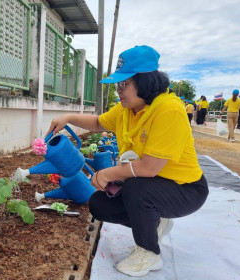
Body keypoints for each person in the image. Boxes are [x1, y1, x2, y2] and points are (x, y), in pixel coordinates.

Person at [46, 45, 209, 277]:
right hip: (153, 185)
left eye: (124, 84)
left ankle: (149, 252)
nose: (118, 90)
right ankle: (155, 222)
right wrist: (68, 118)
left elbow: (150, 168)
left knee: (135, 187)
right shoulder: (126, 109)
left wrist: (108, 173)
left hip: (185, 189)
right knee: (100, 204)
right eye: (117, 85)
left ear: (145, 82)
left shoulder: (168, 110)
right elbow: (97, 123)